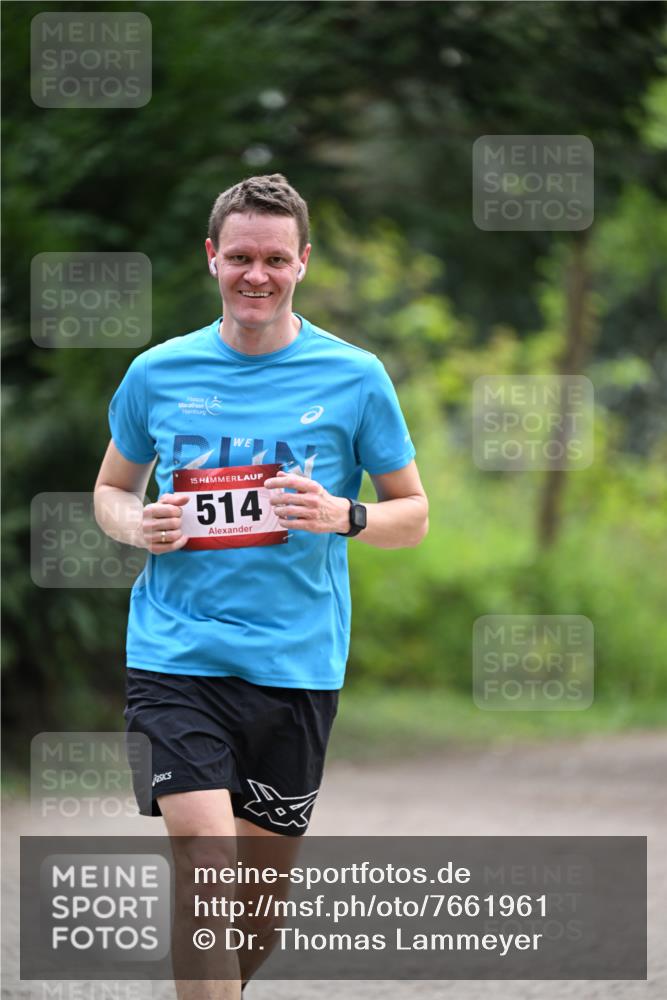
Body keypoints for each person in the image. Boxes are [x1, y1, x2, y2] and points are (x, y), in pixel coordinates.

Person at [94, 173, 429, 999]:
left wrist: (341, 516)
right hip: (176, 655)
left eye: (274, 259)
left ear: (302, 263)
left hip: (295, 666)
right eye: (239, 256)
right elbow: (108, 491)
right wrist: (138, 526)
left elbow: (413, 513)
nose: (256, 275)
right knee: (205, 867)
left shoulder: (355, 378)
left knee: (255, 917)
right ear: (212, 257)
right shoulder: (157, 373)